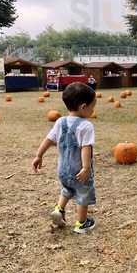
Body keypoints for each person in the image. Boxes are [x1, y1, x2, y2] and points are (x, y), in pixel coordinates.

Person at [32, 83, 97, 234]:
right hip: (79, 170)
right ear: (83, 107)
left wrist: (38, 155)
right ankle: (82, 223)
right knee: (82, 194)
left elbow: (48, 139)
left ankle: (59, 210)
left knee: (67, 189)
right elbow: (86, 148)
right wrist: (86, 168)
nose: (93, 110)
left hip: (62, 169)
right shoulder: (86, 126)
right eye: (92, 107)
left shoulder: (60, 121)